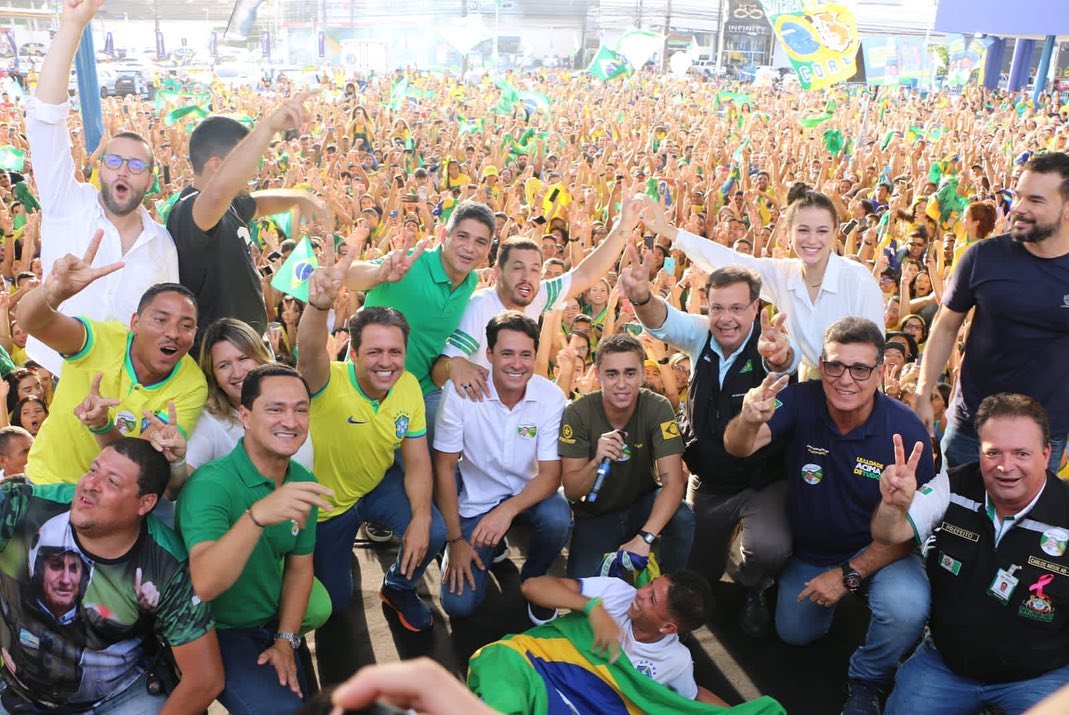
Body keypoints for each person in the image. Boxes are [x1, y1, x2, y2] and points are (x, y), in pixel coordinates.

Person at [723, 317, 932, 715]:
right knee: (794, 634)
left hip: (882, 551)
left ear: (880, 372)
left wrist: (849, 575)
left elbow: (914, 530)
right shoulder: (801, 399)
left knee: (905, 608)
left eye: (860, 368)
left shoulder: (905, 432)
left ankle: (867, 677)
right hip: (815, 550)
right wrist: (748, 419)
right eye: (835, 366)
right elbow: (739, 447)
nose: (846, 379)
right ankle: (799, 588)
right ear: (821, 365)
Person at [617, 244, 798, 638]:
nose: (726, 318)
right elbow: (664, 322)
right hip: (711, 481)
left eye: (736, 308)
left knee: (769, 547)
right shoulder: (702, 338)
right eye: (717, 308)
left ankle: (754, 585)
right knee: (695, 574)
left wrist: (780, 358)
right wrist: (643, 296)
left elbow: (785, 358)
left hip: (762, 481)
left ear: (756, 309)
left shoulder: (773, 343)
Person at [873, 394, 1069, 715]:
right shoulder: (954, 485)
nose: (1006, 466)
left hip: (1039, 677)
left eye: (1021, 453)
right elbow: (889, 533)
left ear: (1047, 454)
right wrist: (893, 506)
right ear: (979, 452)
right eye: (993, 453)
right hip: (948, 664)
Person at [0, 438, 222, 712]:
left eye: (112, 482)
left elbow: (205, 678)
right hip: (20, 694)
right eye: (93, 470)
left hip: (121, 697)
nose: (91, 484)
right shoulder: (22, 507)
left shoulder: (165, 564)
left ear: (145, 503)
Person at [297, 246, 445, 643]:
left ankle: (397, 586)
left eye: (395, 352)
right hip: (327, 508)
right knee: (336, 601)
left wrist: (421, 519)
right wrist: (317, 307)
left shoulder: (409, 387)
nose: (386, 362)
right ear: (353, 351)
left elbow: (416, 463)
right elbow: (309, 353)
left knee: (434, 531)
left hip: (376, 487)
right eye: (374, 352)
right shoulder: (326, 381)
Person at [26, 0, 178, 375]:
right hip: (53, 375)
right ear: (99, 170)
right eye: (113, 161)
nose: (123, 170)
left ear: (149, 179)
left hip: (124, 388)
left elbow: (167, 322)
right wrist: (73, 26)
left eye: (136, 164)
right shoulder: (67, 203)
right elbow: (46, 119)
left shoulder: (162, 243)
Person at [177, 364, 333, 715]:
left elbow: (299, 568)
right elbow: (204, 583)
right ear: (245, 416)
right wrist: (258, 516)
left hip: (270, 624)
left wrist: (286, 640)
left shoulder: (301, 478)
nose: (291, 422)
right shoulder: (210, 484)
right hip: (216, 632)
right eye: (275, 409)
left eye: (301, 409)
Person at [915, 152, 1069, 474]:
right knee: (950, 518)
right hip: (972, 430)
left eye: (1035, 200)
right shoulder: (982, 257)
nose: (1018, 208)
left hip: (1044, 438)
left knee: (1025, 523)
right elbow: (945, 328)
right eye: (1019, 195)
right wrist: (924, 389)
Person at [16, 234, 206, 493]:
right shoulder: (98, 340)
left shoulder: (192, 383)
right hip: (49, 484)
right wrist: (52, 293)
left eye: (186, 326)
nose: (173, 333)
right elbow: (32, 322)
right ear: (135, 323)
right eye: (161, 320)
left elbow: (138, 463)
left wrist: (102, 426)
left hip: (118, 503)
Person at [433, 311, 571, 624]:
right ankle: (478, 544)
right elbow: (444, 468)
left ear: (535, 356)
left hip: (529, 494)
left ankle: (534, 579)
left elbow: (551, 475)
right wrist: (455, 542)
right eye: (507, 353)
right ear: (490, 354)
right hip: (477, 498)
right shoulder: (460, 393)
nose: (517, 363)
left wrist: (506, 511)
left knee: (558, 518)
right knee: (459, 606)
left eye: (526, 354)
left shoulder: (551, 397)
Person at [644, 192, 884, 370]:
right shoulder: (782, 274)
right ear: (788, 233)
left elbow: (876, 351)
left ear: (834, 233)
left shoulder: (858, 280)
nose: (812, 240)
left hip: (856, 389)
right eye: (803, 230)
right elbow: (730, 260)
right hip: (810, 391)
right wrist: (671, 232)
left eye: (822, 231)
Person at [435, 196, 644, 399]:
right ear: (498, 272)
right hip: (476, 414)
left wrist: (624, 226)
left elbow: (586, 274)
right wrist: (454, 364)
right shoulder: (480, 307)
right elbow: (439, 374)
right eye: (518, 268)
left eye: (535, 270)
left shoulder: (537, 294)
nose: (527, 278)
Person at [167, 98, 328, 345]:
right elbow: (217, 194)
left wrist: (298, 197)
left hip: (248, 346)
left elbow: (259, 204)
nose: (252, 172)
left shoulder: (231, 205)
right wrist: (269, 127)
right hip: (221, 357)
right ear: (217, 166)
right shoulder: (187, 211)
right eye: (245, 163)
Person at [558, 333, 694, 578]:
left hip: (641, 505)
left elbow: (673, 483)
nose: (621, 383)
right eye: (612, 374)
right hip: (595, 515)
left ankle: (670, 587)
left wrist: (645, 537)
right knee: (586, 597)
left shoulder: (658, 406)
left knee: (682, 515)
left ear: (642, 374)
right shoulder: (578, 412)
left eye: (630, 373)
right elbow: (572, 490)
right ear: (598, 375)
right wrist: (596, 461)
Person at [520, 571, 723, 704]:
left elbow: (692, 697)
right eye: (650, 584)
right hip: (542, 676)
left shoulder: (676, 661)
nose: (640, 592)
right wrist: (591, 607)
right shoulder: (615, 592)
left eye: (651, 599)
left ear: (668, 628)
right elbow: (532, 587)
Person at [184, 317, 314, 475]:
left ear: (260, 358)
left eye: (243, 359)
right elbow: (182, 481)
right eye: (224, 365)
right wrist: (176, 462)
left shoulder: (291, 401)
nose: (237, 373)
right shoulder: (209, 420)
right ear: (213, 375)